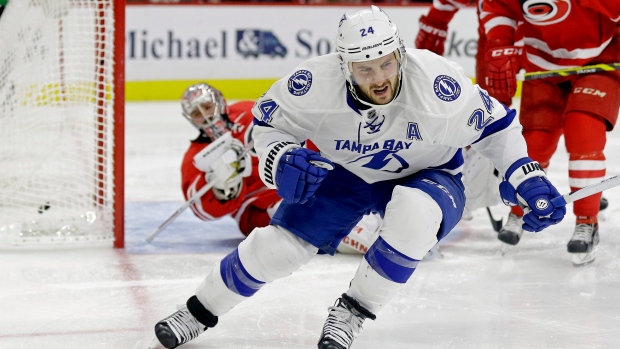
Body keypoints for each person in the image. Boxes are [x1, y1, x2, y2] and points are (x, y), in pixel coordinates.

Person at [151, 6, 565, 349]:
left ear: (401, 54)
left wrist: (525, 173)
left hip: (431, 171)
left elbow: (496, 127)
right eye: (365, 69)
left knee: (415, 216)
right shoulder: (314, 83)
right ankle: (197, 311)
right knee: (278, 248)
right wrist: (279, 157)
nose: (380, 78)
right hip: (347, 172)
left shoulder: (439, 83)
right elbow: (267, 125)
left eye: (386, 63)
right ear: (344, 66)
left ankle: (351, 312)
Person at [480, 1, 619, 265]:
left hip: (600, 61)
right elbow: (496, 6)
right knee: (534, 144)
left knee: (584, 133)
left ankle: (587, 221)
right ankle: (520, 209)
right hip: (542, 66)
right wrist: (500, 43)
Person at [179, 82, 382, 254]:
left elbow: (290, 129)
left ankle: (374, 219)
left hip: (294, 181)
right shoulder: (196, 157)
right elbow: (202, 210)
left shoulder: (246, 111)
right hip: (257, 209)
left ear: (219, 101)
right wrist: (222, 191)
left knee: (337, 184)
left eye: (207, 107)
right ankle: (365, 240)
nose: (205, 116)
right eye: (197, 113)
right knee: (302, 217)